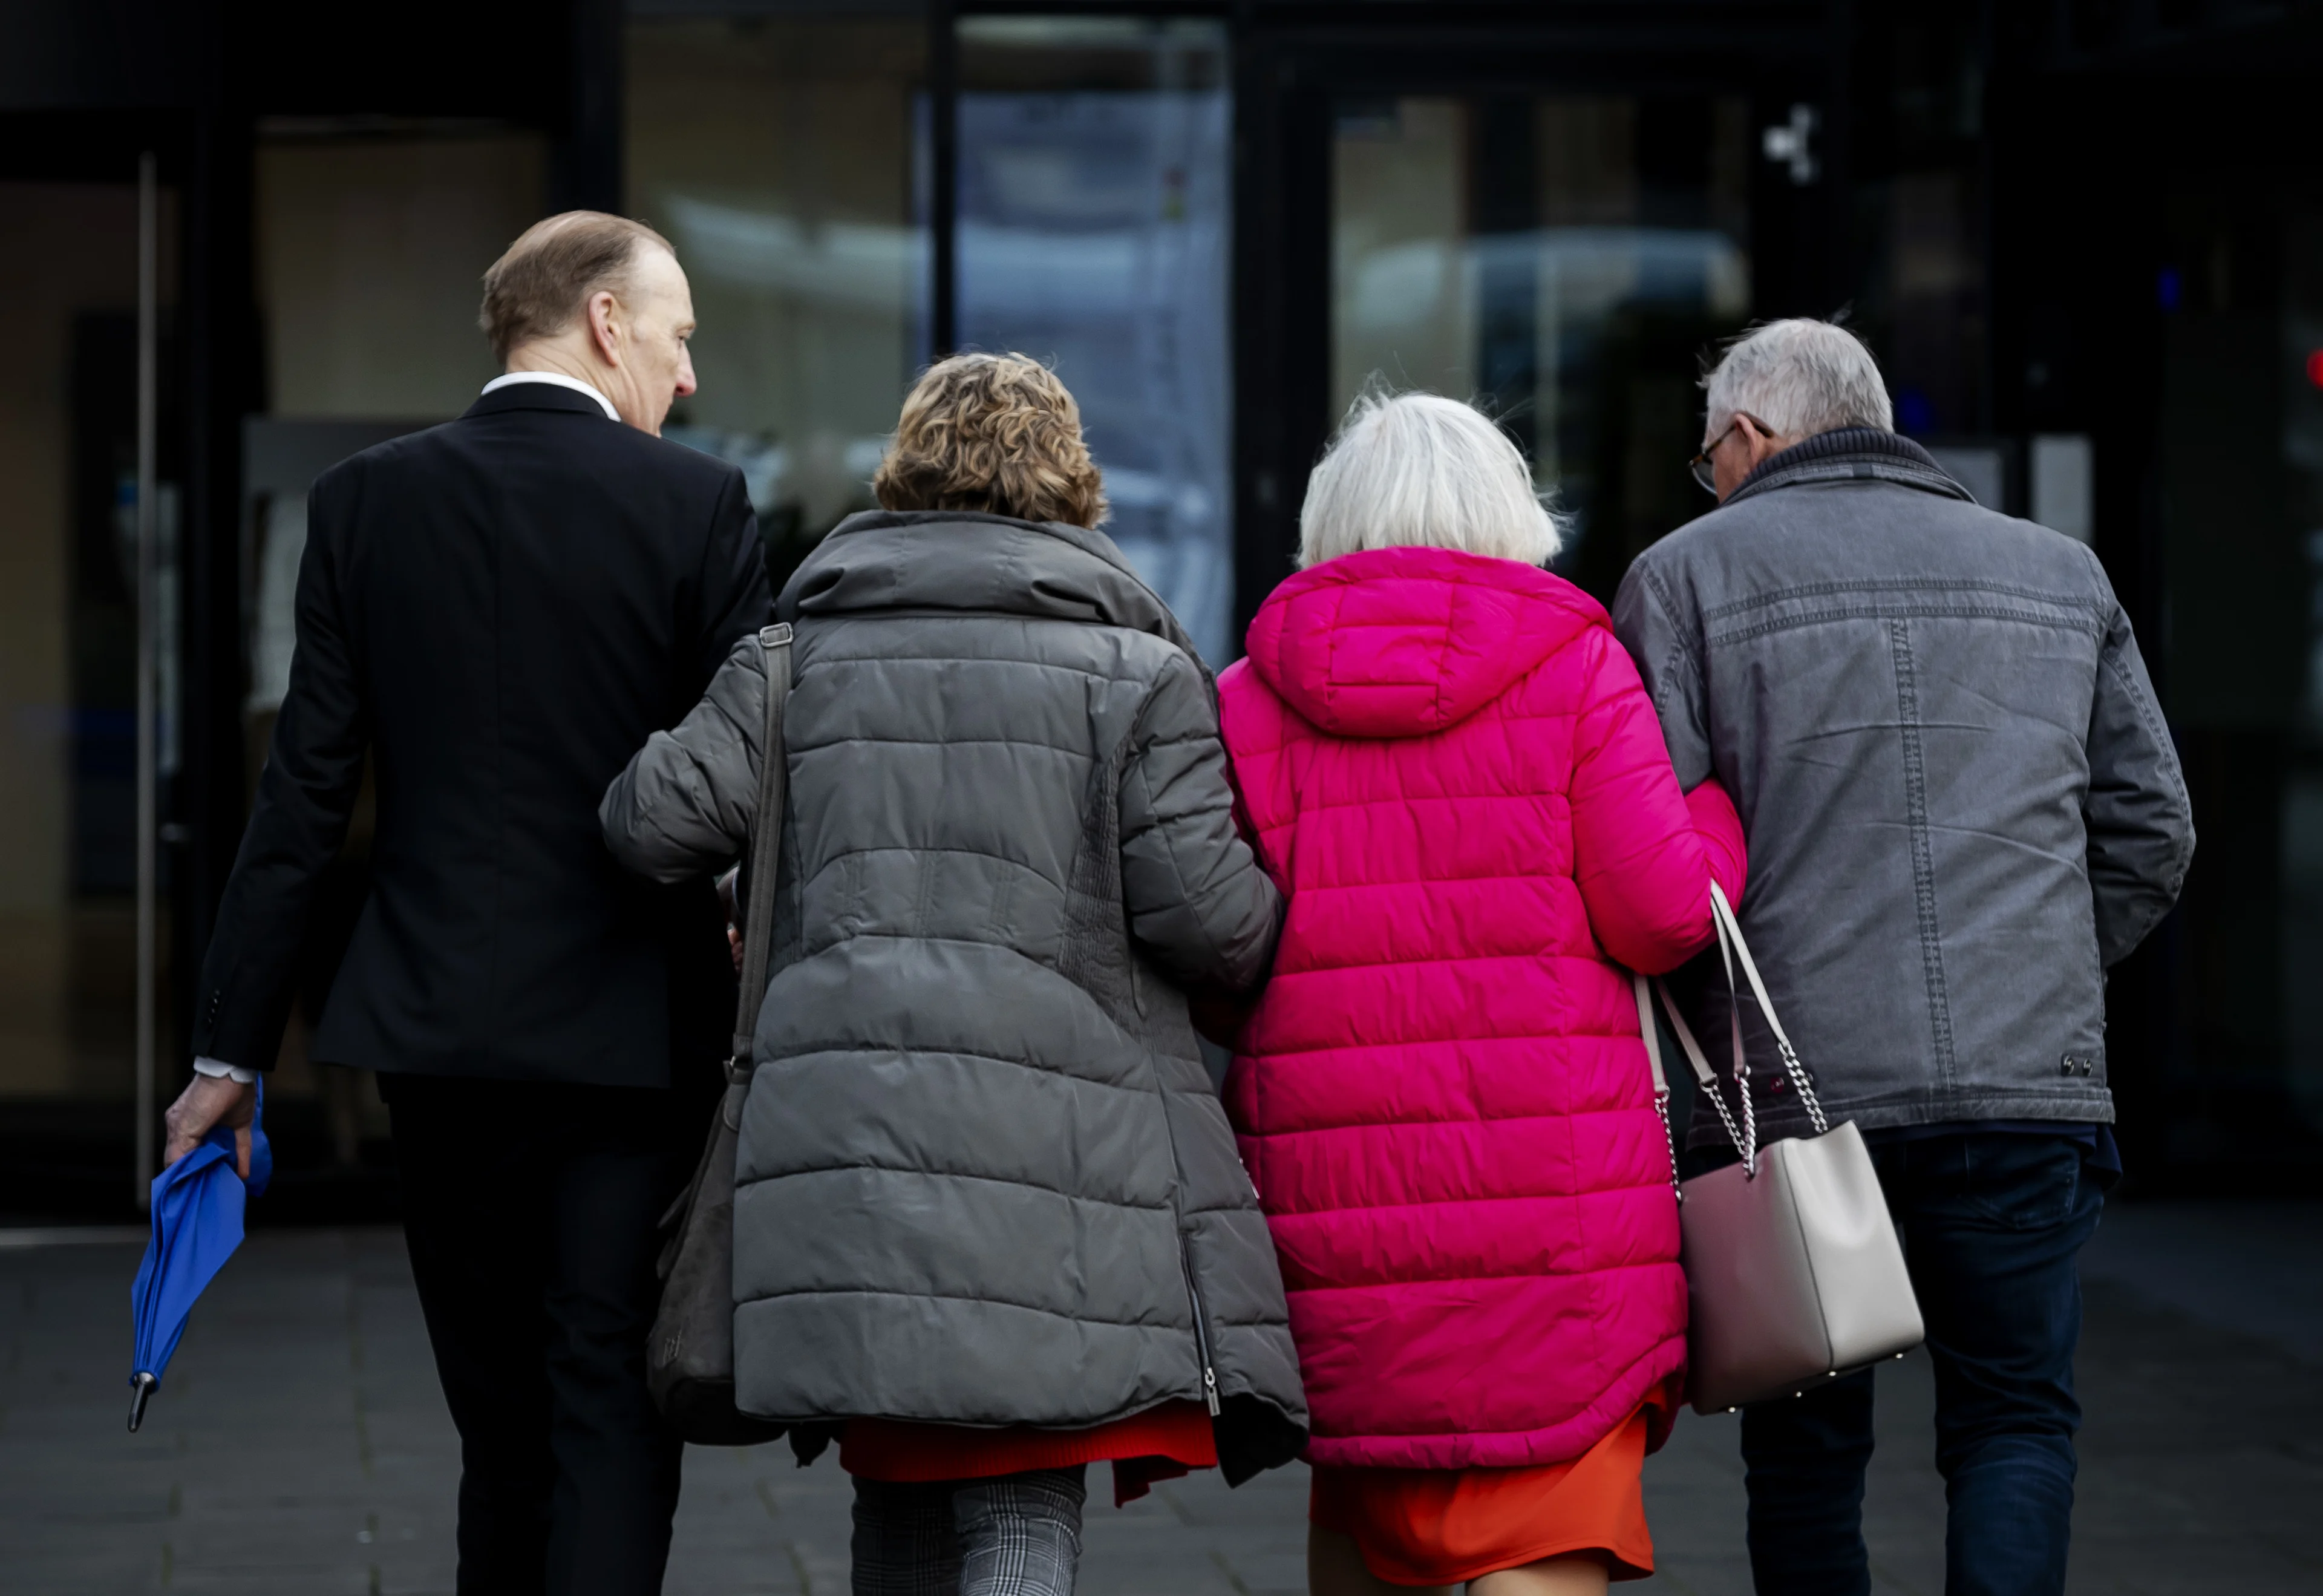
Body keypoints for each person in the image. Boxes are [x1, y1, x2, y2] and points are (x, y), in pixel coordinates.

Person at [598, 352, 1309, 1596]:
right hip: (1062, 1151)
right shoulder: (1136, 675)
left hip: (844, 1145)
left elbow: (648, 822)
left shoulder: (791, 658)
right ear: (1071, 479)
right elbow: (1216, 927)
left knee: (903, 1484)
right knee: (1022, 1499)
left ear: (908, 470)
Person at [159, 212, 769, 1595]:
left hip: (436, 1043)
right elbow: (757, 780)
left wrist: (228, 1052)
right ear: (607, 321)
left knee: (497, 1431)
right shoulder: (696, 507)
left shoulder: (367, 502)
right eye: (677, 338)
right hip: (632, 1042)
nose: (685, 377)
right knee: (607, 1407)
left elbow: (302, 799)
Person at [1612, 318, 2196, 1596]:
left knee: (1807, 1449)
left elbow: (1650, 862)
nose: (1706, 477)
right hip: (2023, 1078)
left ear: (1751, 437)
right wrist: (2045, 964)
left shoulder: (1683, 577)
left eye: (1707, 452)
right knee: (2016, 1420)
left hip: (1799, 1099)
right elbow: (2154, 826)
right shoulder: (2060, 569)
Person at [1214, 391, 1748, 1595]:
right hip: (1553, 1233)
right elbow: (1663, 913)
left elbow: (1217, 959)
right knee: (1543, 1515)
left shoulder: (1246, 697)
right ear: (1509, 510)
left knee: (1365, 1499)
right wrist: (1717, 824)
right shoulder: (1577, 666)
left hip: (1334, 1223)